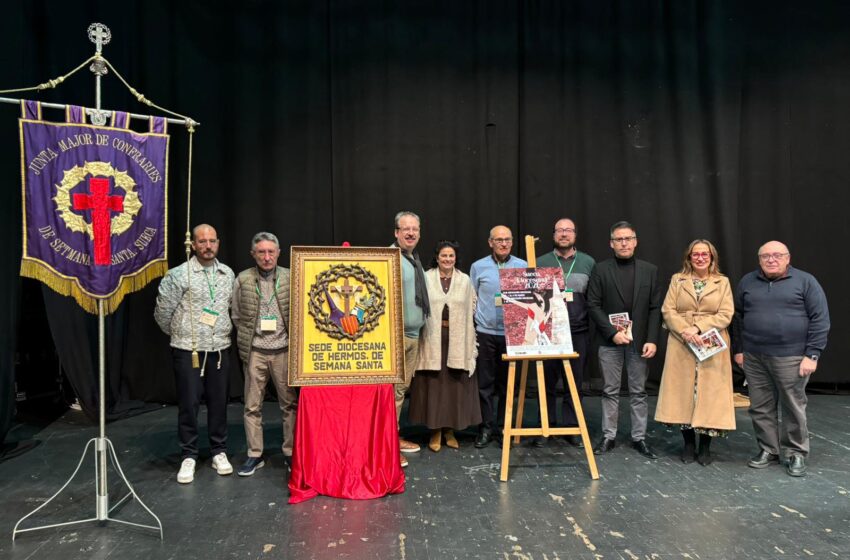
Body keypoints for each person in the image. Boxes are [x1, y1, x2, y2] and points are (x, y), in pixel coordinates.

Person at [733, 241, 830, 477]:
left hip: (792, 357)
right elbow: (737, 317)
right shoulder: (747, 281)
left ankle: (796, 453)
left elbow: (820, 319)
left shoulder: (806, 281)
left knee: (793, 406)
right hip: (754, 356)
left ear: (788, 258)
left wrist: (812, 354)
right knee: (760, 406)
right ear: (759, 260)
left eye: (777, 255)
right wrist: (739, 349)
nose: (771, 260)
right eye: (766, 256)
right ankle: (769, 449)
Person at [154, 224, 235, 484]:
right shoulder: (179, 275)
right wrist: (183, 333)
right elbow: (162, 313)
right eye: (202, 241)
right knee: (189, 404)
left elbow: (231, 308)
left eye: (212, 241)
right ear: (193, 245)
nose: (208, 246)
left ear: (218, 243)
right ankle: (189, 454)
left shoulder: (227, 273)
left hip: (219, 349)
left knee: (219, 403)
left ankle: (218, 451)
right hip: (188, 350)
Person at [654, 240, 736, 466]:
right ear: (689, 258)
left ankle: (706, 447)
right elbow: (668, 310)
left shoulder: (722, 282)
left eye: (705, 254)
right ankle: (688, 444)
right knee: (682, 393)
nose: (700, 258)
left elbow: (726, 313)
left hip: (712, 341)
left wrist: (699, 328)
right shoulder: (677, 280)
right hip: (682, 341)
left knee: (710, 395)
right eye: (695, 254)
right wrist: (686, 331)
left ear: (712, 257)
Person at [587, 221, 661, 459]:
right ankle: (608, 436)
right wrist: (612, 333)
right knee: (610, 390)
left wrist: (652, 339)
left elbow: (655, 308)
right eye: (619, 239)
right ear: (611, 243)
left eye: (628, 238)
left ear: (635, 241)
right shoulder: (600, 270)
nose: (624, 243)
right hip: (610, 341)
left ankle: (639, 438)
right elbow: (593, 305)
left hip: (640, 342)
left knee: (639, 391)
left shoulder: (650, 270)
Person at [231, 232, 298, 476]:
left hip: (284, 351)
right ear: (253, 254)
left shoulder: (291, 277)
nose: (267, 257)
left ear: (279, 253)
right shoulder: (243, 279)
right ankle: (254, 454)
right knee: (252, 406)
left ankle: (290, 452)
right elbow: (237, 315)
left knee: (289, 404)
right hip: (255, 352)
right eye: (261, 252)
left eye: (271, 252)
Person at [408, 241, 481, 452]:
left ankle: (450, 430)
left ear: (455, 258)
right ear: (437, 258)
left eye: (451, 256)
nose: (447, 259)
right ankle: (435, 430)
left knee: (453, 387)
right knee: (435, 386)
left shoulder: (464, 280)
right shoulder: (426, 277)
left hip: (457, 339)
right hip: (432, 339)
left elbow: (471, 308)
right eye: (443, 255)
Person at [535, 218, 596, 448]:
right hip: (547, 332)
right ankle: (546, 427)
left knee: (575, 384)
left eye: (568, 230)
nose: (564, 234)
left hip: (578, 331)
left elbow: (593, 299)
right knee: (546, 383)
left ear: (575, 235)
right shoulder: (540, 262)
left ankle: (572, 428)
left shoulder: (588, 262)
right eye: (559, 230)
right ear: (553, 235)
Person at [470, 225, 528, 448]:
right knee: (484, 384)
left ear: (512, 242)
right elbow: (472, 298)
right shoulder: (478, 267)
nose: (503, 244)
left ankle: (505, 428)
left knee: (508, 385)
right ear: (490, 242)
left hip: (513, 335)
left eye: (507, 240)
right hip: (485, 333)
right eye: (499, 240)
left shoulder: (522, 266)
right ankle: (485, 427)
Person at [392, 211, 430, 467]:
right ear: (396, 232)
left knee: (400, 392)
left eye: (415, 229)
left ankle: (393, 437)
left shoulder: (413, 259)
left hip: (413, 336)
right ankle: (388, 447)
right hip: (396, 337)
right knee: (392, 394)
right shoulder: (391, 258)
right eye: (406, 229)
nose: (411, 233)